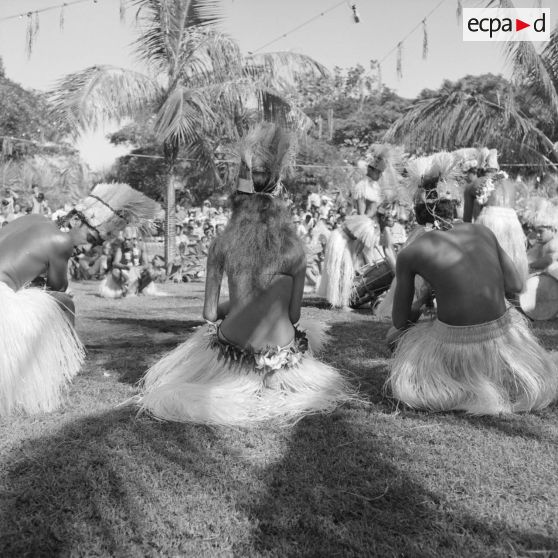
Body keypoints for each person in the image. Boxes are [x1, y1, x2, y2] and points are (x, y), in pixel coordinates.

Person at [137, 123, 354, 426]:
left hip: (233, 350)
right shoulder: (294, 247)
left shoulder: (221, 243)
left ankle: (235, 382)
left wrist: (235, 305)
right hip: (283, 350)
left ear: (236, 203)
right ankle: (274, 382)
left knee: (206, 340)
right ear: (278, 200)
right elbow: (292, 317)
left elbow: (211, 314)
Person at [385, 191, 558, 415]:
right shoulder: (482, 231)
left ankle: (455, 382)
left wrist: (421, 301)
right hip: (503, 337)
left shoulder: (410, 253)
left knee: (392, 336)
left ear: (419, 217)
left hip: (453, 344)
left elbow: (399, 321)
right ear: (454, 208)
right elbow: (516, 284)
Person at [0, 213, 87, 415]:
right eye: (91, 238)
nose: (90, 247)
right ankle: (61, 372)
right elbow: (59, 287)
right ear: (75, 221)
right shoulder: (62, 239)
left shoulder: (32, 219)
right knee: (64, 303)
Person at [463, 149, 528, 286]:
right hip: (512, 223)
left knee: (487, 268)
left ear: (480, 169)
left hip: (490, 220)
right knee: (511, 262)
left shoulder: (473, 185)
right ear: (497, 169)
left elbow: (466, 222)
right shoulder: (511, 184)